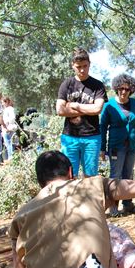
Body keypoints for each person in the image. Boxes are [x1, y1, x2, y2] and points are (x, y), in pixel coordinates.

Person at [100, 73, 135, 216]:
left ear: (131, 90)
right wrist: (103, 148)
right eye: (121, 88)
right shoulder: (109, 106)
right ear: (116, 88)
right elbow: (102, 128)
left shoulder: (134, 103)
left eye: (127, 89)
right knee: (115, 176)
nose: (123, 92)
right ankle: (113, 206)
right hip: (116, 146)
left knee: (128, 175)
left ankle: (128, 204)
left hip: (131, 146)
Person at [56, 48, 107, 177]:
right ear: (73, 65)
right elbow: (60, 110)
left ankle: (89, 198)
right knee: (68, 176)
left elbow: (97, 109)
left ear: (89, 64)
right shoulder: (66, 84)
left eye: (85, 66)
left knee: (90, 177)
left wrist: (75, 105)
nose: (82, 70)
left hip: (92, 138)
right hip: (70, 137)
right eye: (79, 67)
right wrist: (87, 109)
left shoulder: (98, 85)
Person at [1, 96, 18, 161]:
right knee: (8, 143)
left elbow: (12, 118)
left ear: (6, 102)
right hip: (7, 128)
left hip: (8, 128)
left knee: (9, 143)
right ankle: (11, 157)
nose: (2, 104)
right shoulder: (6, 109)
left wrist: (6, 124)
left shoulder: (10, 109)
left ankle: (11, 158)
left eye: (3, 102)